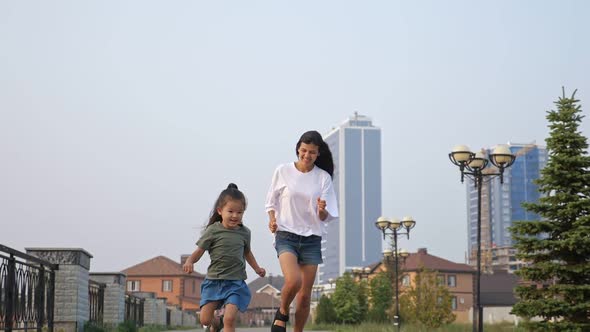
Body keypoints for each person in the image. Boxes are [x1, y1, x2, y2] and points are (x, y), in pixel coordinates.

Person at [265, 130, 338, 332]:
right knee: (294, 280)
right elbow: (270, 202)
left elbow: (326, 216)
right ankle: (282, 311)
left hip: (312, 239)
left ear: (318, 154)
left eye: (312, 152)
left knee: (305, 296)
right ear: (298, 148)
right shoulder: (283, 171)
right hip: (286, 234)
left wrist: (322, 210)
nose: (307, 155)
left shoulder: (323, 178)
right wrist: (272, 220)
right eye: (304, 150)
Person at [184, 183, 266, 332]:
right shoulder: (213, 231)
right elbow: (200, 250)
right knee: (204, 319)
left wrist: (257, 268)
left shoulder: (245, 232)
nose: (235, 216)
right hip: (214, 281)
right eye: (231, 211)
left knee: (230, 319)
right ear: (220, 211)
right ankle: (216, 323)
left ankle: (224, 322)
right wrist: (190, 260)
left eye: (239, 212)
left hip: (235, 283)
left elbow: (247, 252)